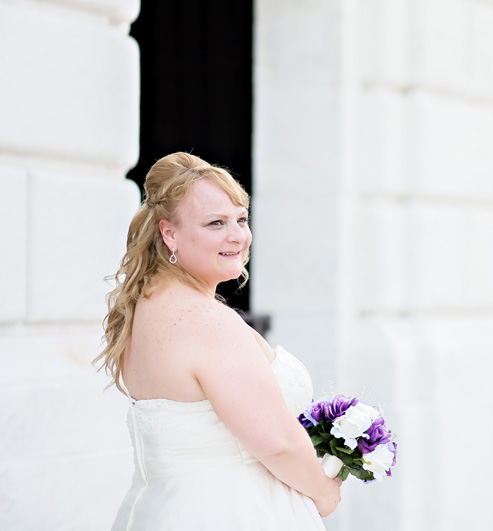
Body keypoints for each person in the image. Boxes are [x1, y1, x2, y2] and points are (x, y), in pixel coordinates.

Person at [95, 152, 341, 530]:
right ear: (169, 233)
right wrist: (323, 491)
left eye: (241, 219)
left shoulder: (144, 310)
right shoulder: (206, 322)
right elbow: (276, 442)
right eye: (215, 223)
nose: (237, 236)